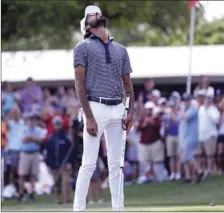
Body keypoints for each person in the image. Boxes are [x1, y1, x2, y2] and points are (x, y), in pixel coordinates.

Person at [73, 5, 134, 211]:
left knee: (116, 165)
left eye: (97, 13)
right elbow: (79, 85)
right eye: (91, 15)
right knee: (89, 163)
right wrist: (89, 117)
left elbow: (128, 84)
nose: (96, 15)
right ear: (87, 26)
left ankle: (119, 208)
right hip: (95, 108)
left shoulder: (121, 50)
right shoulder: (82, 48)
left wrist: (131, 111)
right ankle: (78, 209)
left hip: (118, 108)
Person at [137, 101, 168, 183]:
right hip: (144, 144)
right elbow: (138, 129)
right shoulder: (143, 119)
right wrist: (145, 123)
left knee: (157, 161)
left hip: (155, 142)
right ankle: (147, 177)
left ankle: (159, 177)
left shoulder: (157, 118)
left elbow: (160, 127)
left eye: (150, 109)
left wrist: (153, 122)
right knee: (144, 161)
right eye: (147, 109)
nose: (149, 111)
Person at [18, 112, 46, 201]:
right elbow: (24, 139)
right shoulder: (23, 129)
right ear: (27, 120)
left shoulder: (39, 130)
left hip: (35, 153)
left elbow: (41, 140)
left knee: (33, 174)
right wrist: (34, 139)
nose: (31, 121)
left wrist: (30, 138)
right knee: (22, 174)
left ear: (36, 121)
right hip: (25, 153)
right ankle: (21, 193)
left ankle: (31, 193)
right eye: (30, 119)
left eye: (33, 119)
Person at [45, 116, 74, 204]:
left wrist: (69, 162)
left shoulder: (66, 136)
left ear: (61, 124)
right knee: (57, 183)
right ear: (53, 125)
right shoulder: (50, 138)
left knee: (66, 181)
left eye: (59, 123)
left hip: (65, 164)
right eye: (55, 124)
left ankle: (68, 199)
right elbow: (48, 152)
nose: (57, 125)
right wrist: (49, 164)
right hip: (54, 165)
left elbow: (71, 151)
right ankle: (59, 199)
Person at [177, 93, 203, 183]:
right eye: (184, 100)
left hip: (191, 137)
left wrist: (178, 111)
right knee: (184, 158)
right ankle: (188, 177)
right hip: (184, 137)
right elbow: (177, 119)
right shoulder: (184, 110)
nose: (185, 102)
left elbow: (186, 117)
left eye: (187, 100)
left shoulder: (193, 109)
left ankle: (199, 171)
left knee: (187, 156)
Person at [197, 88, 220, 178]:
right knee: (199, 154)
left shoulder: (214, 109)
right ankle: (202, 170)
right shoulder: (200, 109)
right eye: (206, 99)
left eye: (209, 99)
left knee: (209, 155)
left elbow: (215, 120)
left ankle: (209, 170)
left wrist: (208, 110)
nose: (208, 100)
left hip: (210, 135)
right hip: (200, 135)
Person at [164, 101, 181, 181]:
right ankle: (172, 173)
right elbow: (167, 128)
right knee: (171, 156)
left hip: (178, 136)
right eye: (171, 107)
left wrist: (173, 117)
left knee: (178, 156)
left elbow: (179, 123)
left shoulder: (179, 114)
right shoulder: (166, 116)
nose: (172, 108)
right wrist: (169, 120)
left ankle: (178, 173)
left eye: (173, 107)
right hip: (170, 136)